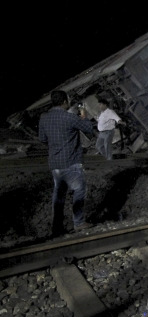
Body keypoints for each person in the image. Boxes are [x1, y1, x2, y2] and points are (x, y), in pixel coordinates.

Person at [38, 90, 95, 236]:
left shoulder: (44, 118)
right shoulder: (70, 117)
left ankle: (57, 227)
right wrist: (84, 116)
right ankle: (79, 222)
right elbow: (89, 128)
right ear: (64, 101)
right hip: (71, 161)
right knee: (79, 190)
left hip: (55, 163)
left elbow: (43, 139)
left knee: (59, 195)